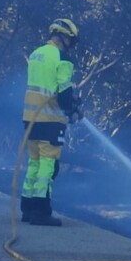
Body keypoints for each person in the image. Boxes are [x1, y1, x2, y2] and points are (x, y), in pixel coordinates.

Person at [20, 18, 82, 226]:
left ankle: (27, 209)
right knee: (48, 166)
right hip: (50, 120)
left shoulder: (36, 54)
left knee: (34, 163)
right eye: (71, 40)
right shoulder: (62, 58)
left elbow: (44, 86)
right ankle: (41, 211)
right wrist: (72, 109)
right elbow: (63, 93)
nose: (71, 44)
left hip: (30, 119)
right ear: (63, 37)